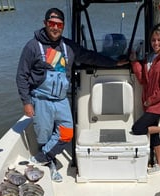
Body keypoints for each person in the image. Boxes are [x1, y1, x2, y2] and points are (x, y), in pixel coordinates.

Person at [16, 8, 128, 182]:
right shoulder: (32, 46)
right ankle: (48, 160)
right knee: (44, 135)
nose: (55, 28)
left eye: (59, 25)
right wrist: (26, 102)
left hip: (61, 100)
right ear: (45, 23)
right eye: (52, 24)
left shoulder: (68, 46)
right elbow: (21, 76)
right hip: (41, 100)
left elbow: (90, 57)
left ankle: (43, 157)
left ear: (63, 26)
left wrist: (114, 63)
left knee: (67, 133)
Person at [130, 21, 160, 173]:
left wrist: (151, 99)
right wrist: (134, 62)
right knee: (153, 135)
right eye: (153, 40)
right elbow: (143, 79)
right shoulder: (151, 57)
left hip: (158, 104)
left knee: (138, 128)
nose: (156, 43)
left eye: (159, 40)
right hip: (150, 103)